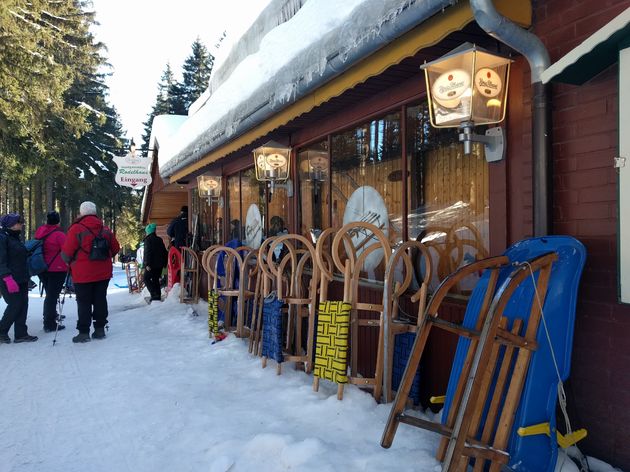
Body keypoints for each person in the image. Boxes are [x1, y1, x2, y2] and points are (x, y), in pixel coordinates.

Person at [61, 201, 120, 343]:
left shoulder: (76, 229)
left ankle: (83, 332)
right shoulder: (105, 229)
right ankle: (99, 329)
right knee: (100, 299)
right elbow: (116, 248)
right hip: (103, 273)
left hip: (82, 274)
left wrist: (70, 262)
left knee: (83, 302)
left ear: (81, 213)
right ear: (95, 212)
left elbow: (67, 253)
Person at [0, 213, 38, 343]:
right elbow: (1, 260)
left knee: (23, 305)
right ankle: (1, 331)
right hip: (9, 278)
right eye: (19, 222)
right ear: (11, 224)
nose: (22, 224)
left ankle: (21, 333)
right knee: (15, 305)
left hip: (21, 277)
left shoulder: (14, 238)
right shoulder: (2, 238)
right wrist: (7, 278)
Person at [34, 211, 67, 332]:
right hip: (56, 268)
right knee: (52, 295)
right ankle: (49, 323)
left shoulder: (41, 230)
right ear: (58, 221)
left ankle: (51, 314)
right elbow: (67, 250)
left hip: (42, 267)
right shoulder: (59, 234)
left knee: (50, 294)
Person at [143, 223, 167, 303]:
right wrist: (164, 262)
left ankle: (154, 295)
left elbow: (148, 253)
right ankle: (158, 296)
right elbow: (164, 252)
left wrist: (147, 264)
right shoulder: (159, 239)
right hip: (159, 264)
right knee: (155, 279)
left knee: (146, 278)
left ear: (148, 232)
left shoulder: (148, 240)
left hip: (151, 265)